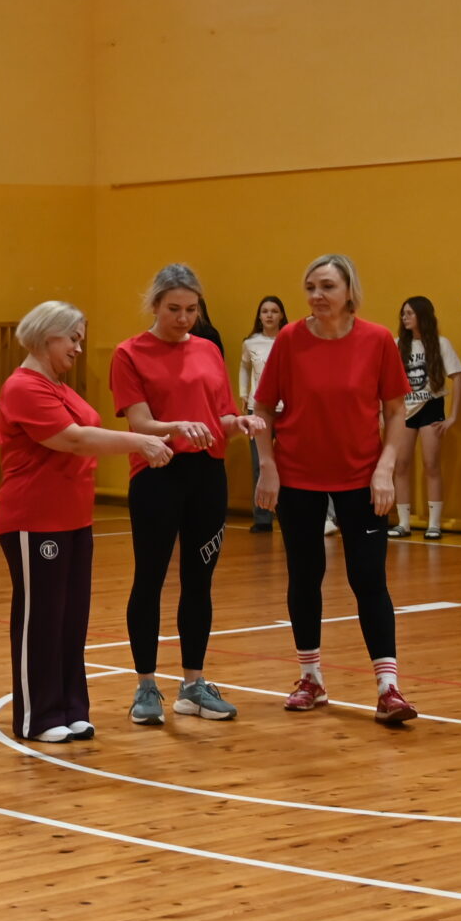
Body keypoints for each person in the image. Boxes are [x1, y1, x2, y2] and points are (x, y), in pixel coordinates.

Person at [251, 254, 416, 724]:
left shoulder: (377, 339)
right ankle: (311, 679)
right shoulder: (289, 339)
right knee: (305, 576)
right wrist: (268, 465)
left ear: (348, 292)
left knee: (369, 579)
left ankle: (388, 689)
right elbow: (262, 408)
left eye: (326, 286)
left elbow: (396, 412)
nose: (317, 296)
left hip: (361, 477)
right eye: (310, 287)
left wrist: (385, 469)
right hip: (298, 476)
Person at [0, 302, 171, 743]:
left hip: (74, 518)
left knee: (71, 617)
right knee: (41, 617)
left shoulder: (60, 387)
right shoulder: (23, 386)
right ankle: (37, 716)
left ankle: (71, 707)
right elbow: (73, 439)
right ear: (47, 336)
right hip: (34, 519)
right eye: (72, 338)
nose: (78, 347)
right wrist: (140, 442)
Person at [111, 266, 264, 727]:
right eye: (174, 309)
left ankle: (194, 685)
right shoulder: (129, 353)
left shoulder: (208, 349)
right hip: (158, 473)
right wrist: (177, 426)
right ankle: (145, 687)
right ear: (155, 305)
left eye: (191, 310)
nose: (183, 318)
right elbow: (139, 423)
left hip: (207, 476)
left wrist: (240, 424)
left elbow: (222, 417)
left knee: (199, 581)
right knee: (150, 578)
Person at [391, 295, 461, 539]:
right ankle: (403, 523)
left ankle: (434, 524)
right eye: (403, 313)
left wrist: (452, 416)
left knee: (431, 464)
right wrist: (382, 413)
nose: (405, 318)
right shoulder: (397, 344)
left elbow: (458, 377)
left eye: (410, 313)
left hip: (431, 407)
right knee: (401, 465)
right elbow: (384, 380)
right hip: (404, 409)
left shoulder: (441, 344)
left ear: (423, 315)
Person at [239, 296, 287, 534]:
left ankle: (288, 514)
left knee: (288, 465)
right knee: (260, 463)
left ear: (281, 315)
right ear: (259, 316)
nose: (269, 315)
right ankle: (263, 517)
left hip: (286, 409)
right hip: (257, 409)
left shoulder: (288, 340)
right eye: (265, 311)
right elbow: (244, 368)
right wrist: (243, 393)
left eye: (274, 311)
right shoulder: (250, 343)